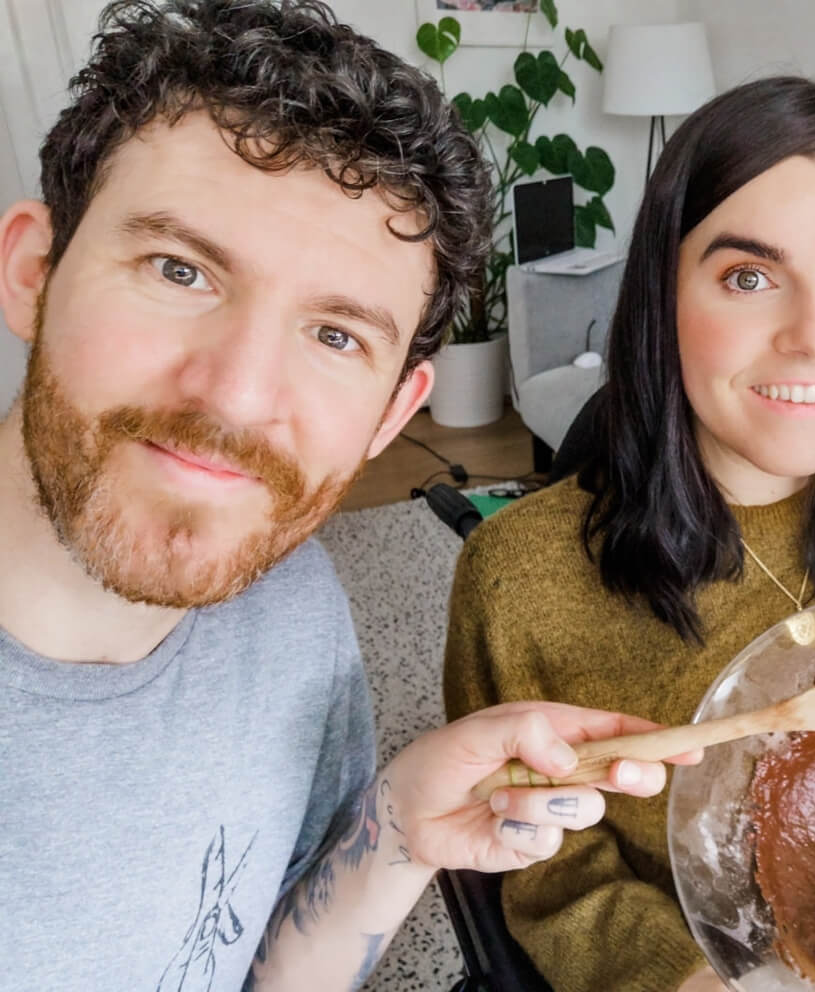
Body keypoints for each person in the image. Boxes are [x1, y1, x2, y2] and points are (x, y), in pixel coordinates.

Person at [0, 2, 696, 989]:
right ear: (34, 272)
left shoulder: (295, 603)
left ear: (391, 413)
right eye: (179, 269)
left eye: (335, 335)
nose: (237, 395)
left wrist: (402, 826)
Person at [443, 76, 815, 992]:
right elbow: (539, 859)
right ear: (661, 295)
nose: (812, 336)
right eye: (749, 277)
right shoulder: (519, 580)